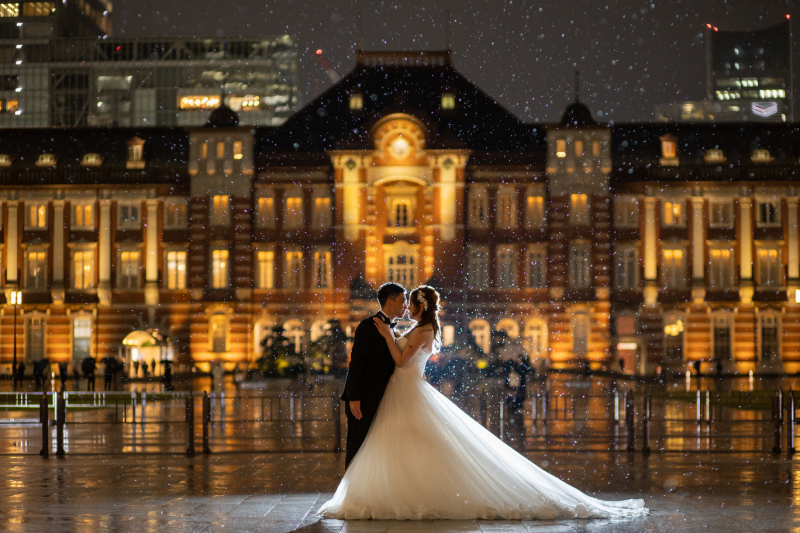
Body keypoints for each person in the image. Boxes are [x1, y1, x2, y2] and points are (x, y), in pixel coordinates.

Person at [318, 285, 647, 520]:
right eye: (403, 301)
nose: (407, 307)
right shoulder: (419, 327)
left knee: (409, 443)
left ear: (419, 306)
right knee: (404, 443)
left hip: (407, 389)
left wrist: (390, 337)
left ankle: (408, 494)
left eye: (410, 303)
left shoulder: (423, 330)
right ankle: (401, 492)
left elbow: (402, 362)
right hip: (403, 391)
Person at [340, 282, 407, 470]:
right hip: (364, 399)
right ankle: (350, 491)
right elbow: (357, 363)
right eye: (402, 301)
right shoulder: (368, 326)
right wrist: (354, 397)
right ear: (390, 301)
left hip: (382, 398)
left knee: (374, 447)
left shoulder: (392, 328)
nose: (406, 305)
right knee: (358, 445)